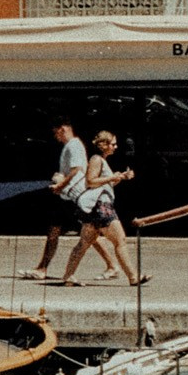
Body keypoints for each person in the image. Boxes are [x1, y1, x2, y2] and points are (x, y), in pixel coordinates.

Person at [20, 119, 115, 281]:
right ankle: (42, 267)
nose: (55, 136)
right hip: (67, 195)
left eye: (56, 132)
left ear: (63, 129)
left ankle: (112, 266)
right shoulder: (71, 146)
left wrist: (60, 183)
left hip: (74, 196)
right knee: (57, 230)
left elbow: (77, 169)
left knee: (89, 232)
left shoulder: (74, 145)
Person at [57, 131, 146, 286]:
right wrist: (112, 177)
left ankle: (68, 276)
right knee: (120, 241)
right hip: (101, 207)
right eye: (113, 144)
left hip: (94, 208)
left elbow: (102, 184)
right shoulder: (97, 159)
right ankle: (133, 277)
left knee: (83, 243)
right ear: (104, 145)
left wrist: (121, 177)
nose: (115, 147)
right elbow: (90, 182)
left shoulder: (100, 160)